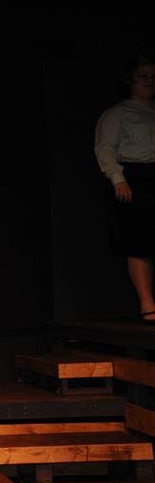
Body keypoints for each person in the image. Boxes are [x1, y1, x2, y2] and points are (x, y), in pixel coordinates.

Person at [94, 54, 155, 324]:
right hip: (135, 177)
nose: (149, 81)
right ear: (131, 80)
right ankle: (147, 303)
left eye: (153, 77)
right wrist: (118, 179)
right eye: (143, 76)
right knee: (139, 241)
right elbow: (105, 147)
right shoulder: (118, 113)